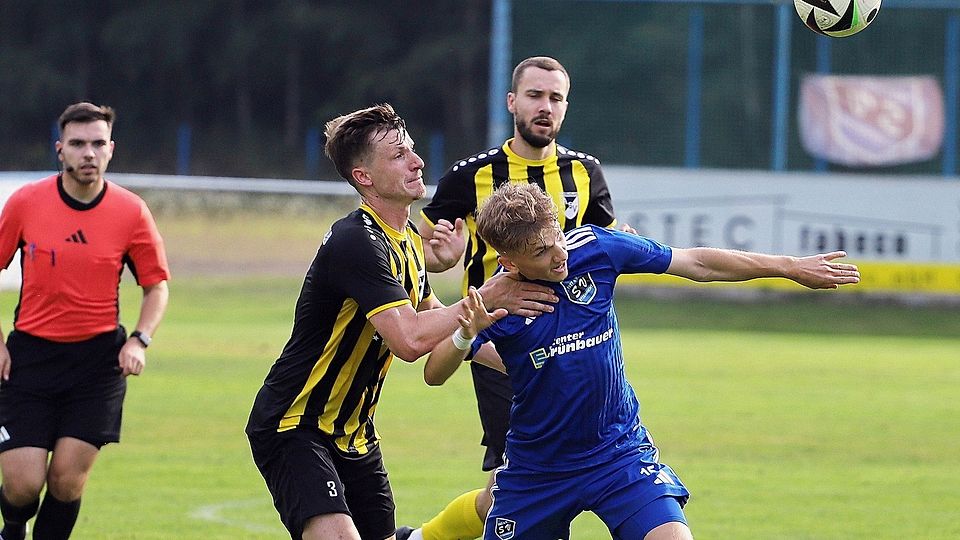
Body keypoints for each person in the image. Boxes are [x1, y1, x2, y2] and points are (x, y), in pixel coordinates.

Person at [423, 182, 860, 540]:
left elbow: (697, 263)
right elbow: (434, 372)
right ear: (509, 261)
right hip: (539, 469)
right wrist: (466, 330)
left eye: (555, 235)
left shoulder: (595, 249)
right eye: (540, 252)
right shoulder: (496, 301)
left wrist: (788, 267)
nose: (558, 254)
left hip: (617, 451)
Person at [244, 104, 555, 540]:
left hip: (355, 433)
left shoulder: (407, 240)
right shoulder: (356, 241)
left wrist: (530, 362)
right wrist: (489, 292)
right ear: (363, 177)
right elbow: (409, 341)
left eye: (411, 149)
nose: (418, 161)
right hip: (297, 425)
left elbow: (434, 320)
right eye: (398, 156)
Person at [401, 56, 631, 540]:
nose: (545, 107)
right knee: (522, 482)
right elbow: (421, 255)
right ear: (512, 102)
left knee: (504, 490)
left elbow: (607, 247)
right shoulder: (471, 176)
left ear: (565, 107)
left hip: (574, 346)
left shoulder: (587, 173)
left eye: (555, 98)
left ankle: (419, 538)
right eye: (534, 96)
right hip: (499, 347)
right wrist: (443, 257)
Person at [0, 102, 170, 540]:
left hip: (97, 364)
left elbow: (156, 286)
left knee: (66, 480)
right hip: (30, 358)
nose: (88, 153)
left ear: (111, 150)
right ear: (60, 150)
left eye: (97, 143)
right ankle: (12, 527)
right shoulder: (25, 203)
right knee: (22, 485)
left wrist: (139, 340)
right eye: (78, 144)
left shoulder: (130, 212)